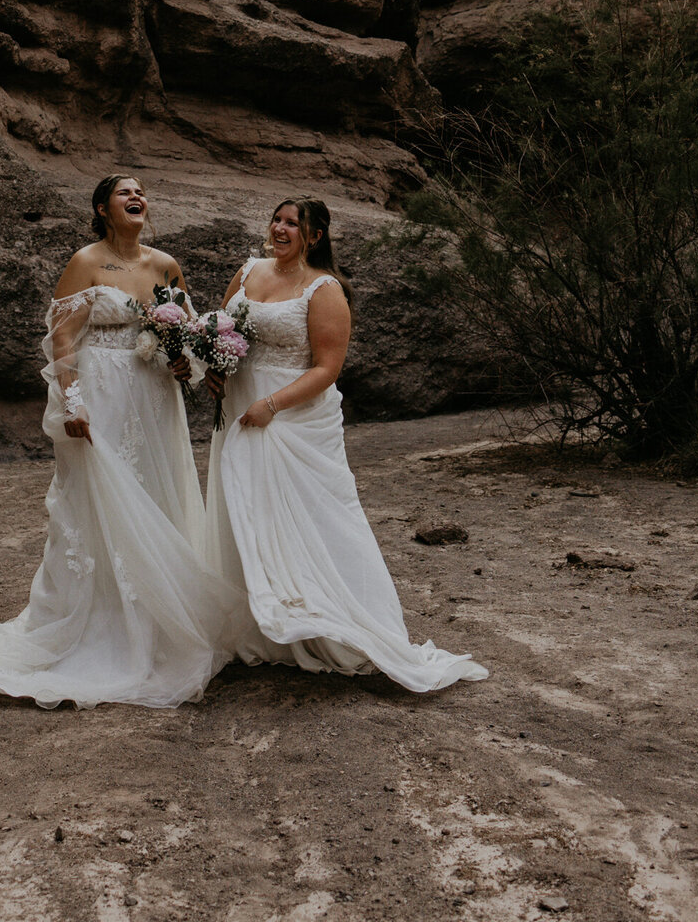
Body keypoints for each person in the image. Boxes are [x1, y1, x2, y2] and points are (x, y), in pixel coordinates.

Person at [0, 174, 232, 708]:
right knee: (98, 503)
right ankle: (103, 622)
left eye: (140, 192)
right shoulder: (85, 262)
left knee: (156, 495)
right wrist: (73, 401)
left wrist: (186, 362)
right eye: (124, 192)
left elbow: (186, 334)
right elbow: (63, 337)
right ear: (101, 208)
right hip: (103, 394)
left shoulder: (166, 265)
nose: (136, 197)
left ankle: (163, 617)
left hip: (155, 398)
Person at [206, 197, 488, 692]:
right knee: (246, 507)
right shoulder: (248, 271)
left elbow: (327, 368)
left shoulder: (325, 289)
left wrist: (271, 404)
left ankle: (337, 623)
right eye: (277, 219)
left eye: (293, 224)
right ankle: (257, 624)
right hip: (239, 405)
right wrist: (214, 365)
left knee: (312, 517)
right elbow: (221, 328)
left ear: (314, 236)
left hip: (290, 416)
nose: (280, 228)